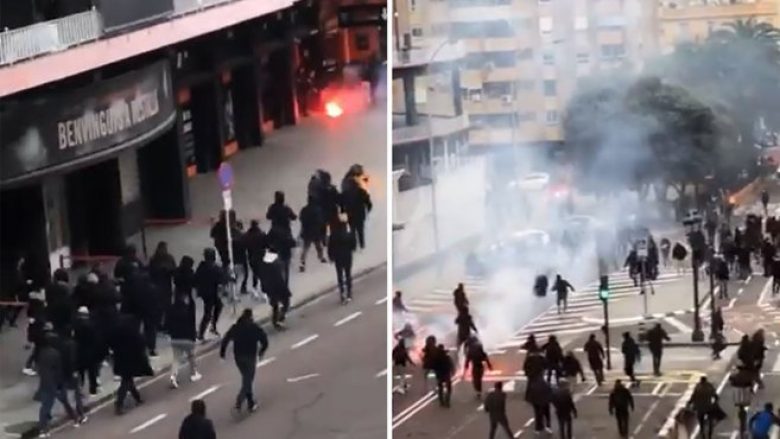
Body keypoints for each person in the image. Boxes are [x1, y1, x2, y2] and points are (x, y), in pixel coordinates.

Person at [220, 309, 269, 412]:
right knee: (248, 380)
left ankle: (251, 403)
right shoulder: (254, 327)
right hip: (250, 356)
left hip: (238, 357)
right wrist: (261, 352)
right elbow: (264, 340)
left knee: (246, 378)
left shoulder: (235, 327)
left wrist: (222, 353)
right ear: (251, 317)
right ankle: (240, 400)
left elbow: (226, 339)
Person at [35, 331, 84, 437]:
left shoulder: (41, 352)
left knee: (45, 407)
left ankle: (43, 429)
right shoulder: (55, 354)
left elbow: (39, 367)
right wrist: (60, 384)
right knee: (64, 402)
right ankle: (75, 419)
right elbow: (58, 371)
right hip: (55, 384)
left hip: (44, 382)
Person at [111, 314, 153, 415]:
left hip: (120, 360)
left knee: (128, 380)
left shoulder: (117, 332)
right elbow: (141, 344)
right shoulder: (133, 333)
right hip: (131, 360)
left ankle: (137, 398)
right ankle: (119, 403)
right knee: (126, 382)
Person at [167, 292, 201, 389]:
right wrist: (194, 337)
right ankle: (194, 373)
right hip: (187, 338)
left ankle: (173, 376)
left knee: (176, 359)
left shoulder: (171, 310)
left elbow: (167, 325)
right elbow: (191, 325)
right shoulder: (187, 311)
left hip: (174, 339)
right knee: (191, 355)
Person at [195, 248, 227, 341]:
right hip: (210, 293)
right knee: (208, 312)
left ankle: (211, 327)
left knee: (218, 306)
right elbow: (222, 277)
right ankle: (201, 333)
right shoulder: (213, 267)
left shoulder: (202, 266)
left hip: (206, 292)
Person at [258, 255, 292, 330]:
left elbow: (263, 278)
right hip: (277, 287)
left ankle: (277, 319)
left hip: (272, 287)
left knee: (276, 305)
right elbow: (280, 276)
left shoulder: (264, 266)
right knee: (282, 303)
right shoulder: (274, 265)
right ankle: (278, 320)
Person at [328, 219, 357, 304]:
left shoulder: (333, 235)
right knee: (348, 274)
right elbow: (353, 245)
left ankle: (342, 292)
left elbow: (330, 247)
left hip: (338, 257)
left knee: (340, 275)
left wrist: (331, 257)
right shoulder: (349, 234)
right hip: (347, 256)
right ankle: (349, 292)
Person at [341, 172, 372, 249]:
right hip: (360, 215)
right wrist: (368, 210)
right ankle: (362, 245)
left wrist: (343, 211)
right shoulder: (361, 191)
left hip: (351, 215)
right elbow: (368, 203)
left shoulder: (346, 193)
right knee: (360, 230)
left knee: (352, 231)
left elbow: (342, 203)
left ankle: (354, 245)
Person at [73, 307, 100, 396]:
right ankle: (93, 390)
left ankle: (80, 389)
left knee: (81, 372)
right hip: (90, 352)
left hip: (79, 352)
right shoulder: (91, 325)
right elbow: (95, 339)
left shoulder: (75, 325)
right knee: (92, 373)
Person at [149, 241, 176, 328]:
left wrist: (168, 270)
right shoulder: (154, 259)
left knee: (167, 305)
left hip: (166, 285)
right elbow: (150, 272)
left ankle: (167, 323)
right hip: (157, 285)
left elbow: (174, 270)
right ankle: (158, 323)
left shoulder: (170, 258)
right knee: (158, 306)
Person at [299, 196, 327, 272]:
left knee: (305, 248)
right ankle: (321, 258)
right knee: (319, 246)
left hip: (307, 231)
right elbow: (320, 220)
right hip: (315, 231)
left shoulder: (304, 209)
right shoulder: (317, 209)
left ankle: (302, 263)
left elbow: (301, 219)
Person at [244, 220, 267, 294]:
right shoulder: (262, 234)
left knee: (255, 273)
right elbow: (266, 244)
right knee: (263, 274)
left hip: (251, 257)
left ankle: (255, 287)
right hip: (261, 256)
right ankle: (263, 290)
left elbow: (244, 245)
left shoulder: (247, 235)